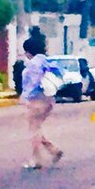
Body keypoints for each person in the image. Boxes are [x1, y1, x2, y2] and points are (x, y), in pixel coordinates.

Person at [20, 36, 63, 170]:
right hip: (49, 98)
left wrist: (25, 96)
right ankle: (53, 150)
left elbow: (33, 81)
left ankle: (36, 159)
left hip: (37, 98)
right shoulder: (47, 61)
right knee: (36, 128)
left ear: (28, 51)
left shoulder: (33, 64)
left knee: (33, 129)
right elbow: (59, 74)